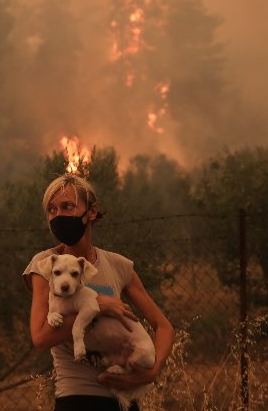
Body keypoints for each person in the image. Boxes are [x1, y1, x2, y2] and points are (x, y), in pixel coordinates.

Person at [23, 174, 174, 411]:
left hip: (124, 399)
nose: (58, 215)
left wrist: (152, 372)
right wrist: (98, 306)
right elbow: (41, 338)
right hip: (76, 396)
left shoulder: (118, 265)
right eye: (52, 210)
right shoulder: (44, 265)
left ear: (91, 212)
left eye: (67, 206)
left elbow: (164, 326)